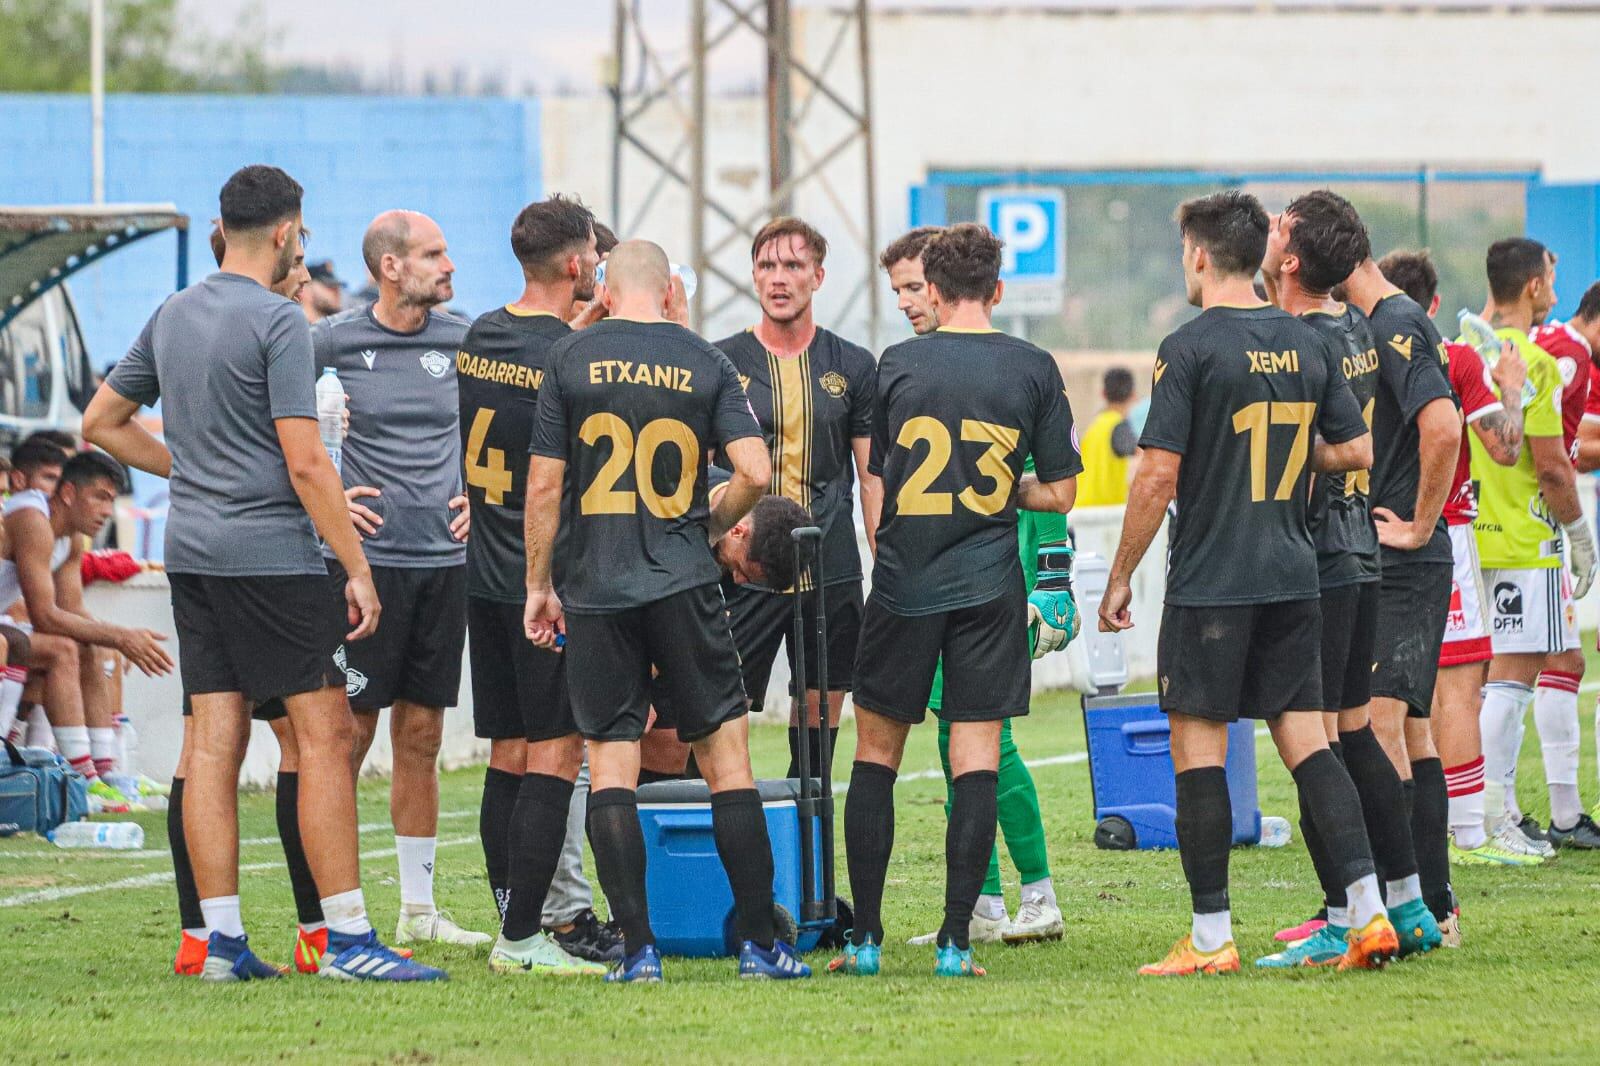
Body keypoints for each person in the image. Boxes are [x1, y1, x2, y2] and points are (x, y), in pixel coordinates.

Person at [84, 163, 443, 982]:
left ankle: (218, 943)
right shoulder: (281, 322)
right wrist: (357, 567)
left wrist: (190, 469)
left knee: (213, 736)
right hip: (271, 558)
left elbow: (100, 421)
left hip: (194, 553)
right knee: (323, 735)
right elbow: (308, 461)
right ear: (285, 232)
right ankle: (349, 940)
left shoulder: (173, 312)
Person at [1101, 191, 1394, 977]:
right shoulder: (1307, 343)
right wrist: (1283, 455)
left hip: (1214, 582)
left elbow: (1158, 473)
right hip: (1296, 574)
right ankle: (1369, 915)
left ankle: (1210, 938)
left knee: (1196, 750)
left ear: (1199, 256)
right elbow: (1356, 448)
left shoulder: (1188, 347)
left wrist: (1121, 575)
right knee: (1308, 740)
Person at [524, 239, 809, 983]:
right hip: (683, 581)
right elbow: (754, 470)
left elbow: (545, 487)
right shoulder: (704, 360)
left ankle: (639, 950)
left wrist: (538, 584)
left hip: (596, 585)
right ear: (667, 289)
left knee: (612, 767)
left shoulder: (569, 359)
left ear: (609, 290)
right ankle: (759, 943)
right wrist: (711, 527)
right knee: (727, 763)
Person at [831, 222, 1079, 980]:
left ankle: (865, 942)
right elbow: (1062, 492)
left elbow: (883, 478)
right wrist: (1008, 488)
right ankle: (953, 944)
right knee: (975, 761)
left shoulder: (896, 365)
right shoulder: (1034, 367)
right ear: (998, 291)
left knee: (876, 759)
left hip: (905, 585)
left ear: (932, 292)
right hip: (987, 590)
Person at [1253, 192, 1430, 967]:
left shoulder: (1294, 342)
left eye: (1277, 227)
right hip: (1359, 551)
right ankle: (1410, 902)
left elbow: (1307, 447)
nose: (1265, 232)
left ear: (1291, 260)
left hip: (1318, 555)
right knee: (1354, 732)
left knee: (1312, 739)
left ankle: (1346, 915)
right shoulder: (1355, 324)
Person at [311, 210, 487, 948]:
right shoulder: (334, 339)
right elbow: (272, 419)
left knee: (422, 735)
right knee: (349, 736)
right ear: (391, 266)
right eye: (434, 254)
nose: (449, 265)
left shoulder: (466, 339)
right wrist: (323, 490)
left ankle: (419, 909)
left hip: (444, 569)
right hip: (364, 574)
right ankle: (335, 910)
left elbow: (508, 428)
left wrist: (484, 494)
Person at [457, 194, 618, 973]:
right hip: (538, 583)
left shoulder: (479, 333)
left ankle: (510, 917)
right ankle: (523, 937)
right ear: (576, 263)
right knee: (555, 759)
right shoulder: (567, 356)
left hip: (481, 576)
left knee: (507, 756)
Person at [1378, 249, 1537, 870]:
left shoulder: (1361, 354)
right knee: (1457, 687)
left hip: (1377, 530)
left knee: (1390, 695)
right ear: (1434, 305)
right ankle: (1469, 831)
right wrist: (1514, 393)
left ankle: (1405, 829)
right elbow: (1503, 449)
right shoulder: (1456, 357)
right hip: (1444, 532)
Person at [713, 217, 881, 778]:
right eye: (767, 266)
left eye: (792, 266)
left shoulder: (854, 365)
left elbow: (872, 474)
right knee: (708, 725)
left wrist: (886, 564)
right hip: (743, 574)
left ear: (818, 276)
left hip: (829, 574)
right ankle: (709, 854)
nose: (778, 278)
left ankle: (804, 860)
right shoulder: (719, 362)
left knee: (814, 748)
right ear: (754, 277)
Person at [1340, 240, 1465, 942]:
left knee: (1379, 727)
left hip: (1405, 561)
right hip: (1391, 556)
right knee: (1411, 731)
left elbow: (1442, 426)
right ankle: (1435, 904)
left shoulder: (1395, 323)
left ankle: (1393, 904)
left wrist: (1420, 524)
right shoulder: (1378, 324)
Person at [1465, 239, 1598, 859]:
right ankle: (1495, 819)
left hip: (1475, 531)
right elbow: (1550, 466)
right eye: (1550, 276)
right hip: (1525, 534)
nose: (1553, 287)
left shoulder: (1462, 351)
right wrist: (1578, 536)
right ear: (1533, 287)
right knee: (1513, 677)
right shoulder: (1535, 363)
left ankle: (1510, 813)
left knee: (1515, 672)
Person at [0, 445, 171, 807]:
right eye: (100, 497)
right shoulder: (32, 516)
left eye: (112, 500)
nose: (108, 511)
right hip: (7, 627)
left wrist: (115, 639)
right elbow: (44, 614)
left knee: (94, 647)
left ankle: (105, 774)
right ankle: (81, 776)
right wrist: (122, 636)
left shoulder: (72, 535)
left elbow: (72, 610)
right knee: (65, 649)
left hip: (7, 629)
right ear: (68, 492)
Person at [1527, 286, 1600, 848]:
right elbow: (1550, 444)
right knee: (1503, 673)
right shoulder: (1568, 353)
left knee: (1554, 662)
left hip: (1522, 520)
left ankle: (1563, 814)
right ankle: (1491, 817)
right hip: (1532, 522)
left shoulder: (1558, 346)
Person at [1075, 368, 1138, 507]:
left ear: (1102, 393)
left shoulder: (1092, 427)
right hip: (1104, 514)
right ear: (1133, 395)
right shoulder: (1121, 428)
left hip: (1079, 508)